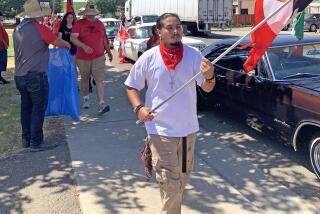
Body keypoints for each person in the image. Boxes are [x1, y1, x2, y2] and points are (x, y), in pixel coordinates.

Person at [125, 13, 215, 213]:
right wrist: (139, 109)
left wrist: (210, 76)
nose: (176, 31)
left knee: (180, 181)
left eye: (178, 27)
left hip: (187, 132)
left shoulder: (194, 55)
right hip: (160, 131)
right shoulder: (149, 57)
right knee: (171, 184)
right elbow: (131, 86)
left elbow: (208, 87)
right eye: (169, 28)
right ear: (159, 32)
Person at [13, 0, 71, 152]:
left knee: (26, 107)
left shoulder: (17, 28)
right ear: (37, 15)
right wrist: (67, 44)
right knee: (38, 108)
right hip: (35, 76)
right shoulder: (39, 28)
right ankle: (36, 142)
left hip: (19, 75)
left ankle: (26, 139)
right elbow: (57, 42)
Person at [70, 3, 113, 113]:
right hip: (83, 58)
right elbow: (73, 38)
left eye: (93, 14)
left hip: (98, 57)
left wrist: (108, 52)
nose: (91, 16)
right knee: (85, 79)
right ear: (85, 14)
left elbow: (104, 39)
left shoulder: (100, 24)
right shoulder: (79, 24)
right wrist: (84, 46)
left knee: (99, 80)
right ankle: (86, 99)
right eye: (89, 14)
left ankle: (102, 103)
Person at [0, 12, 9, 84]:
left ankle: (0, 78)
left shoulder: (1, 24)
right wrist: (5, 43)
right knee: (1, 62)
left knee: (1, 63)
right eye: (2, 16)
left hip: (2, 47)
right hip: (1, 47)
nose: (3, 17)